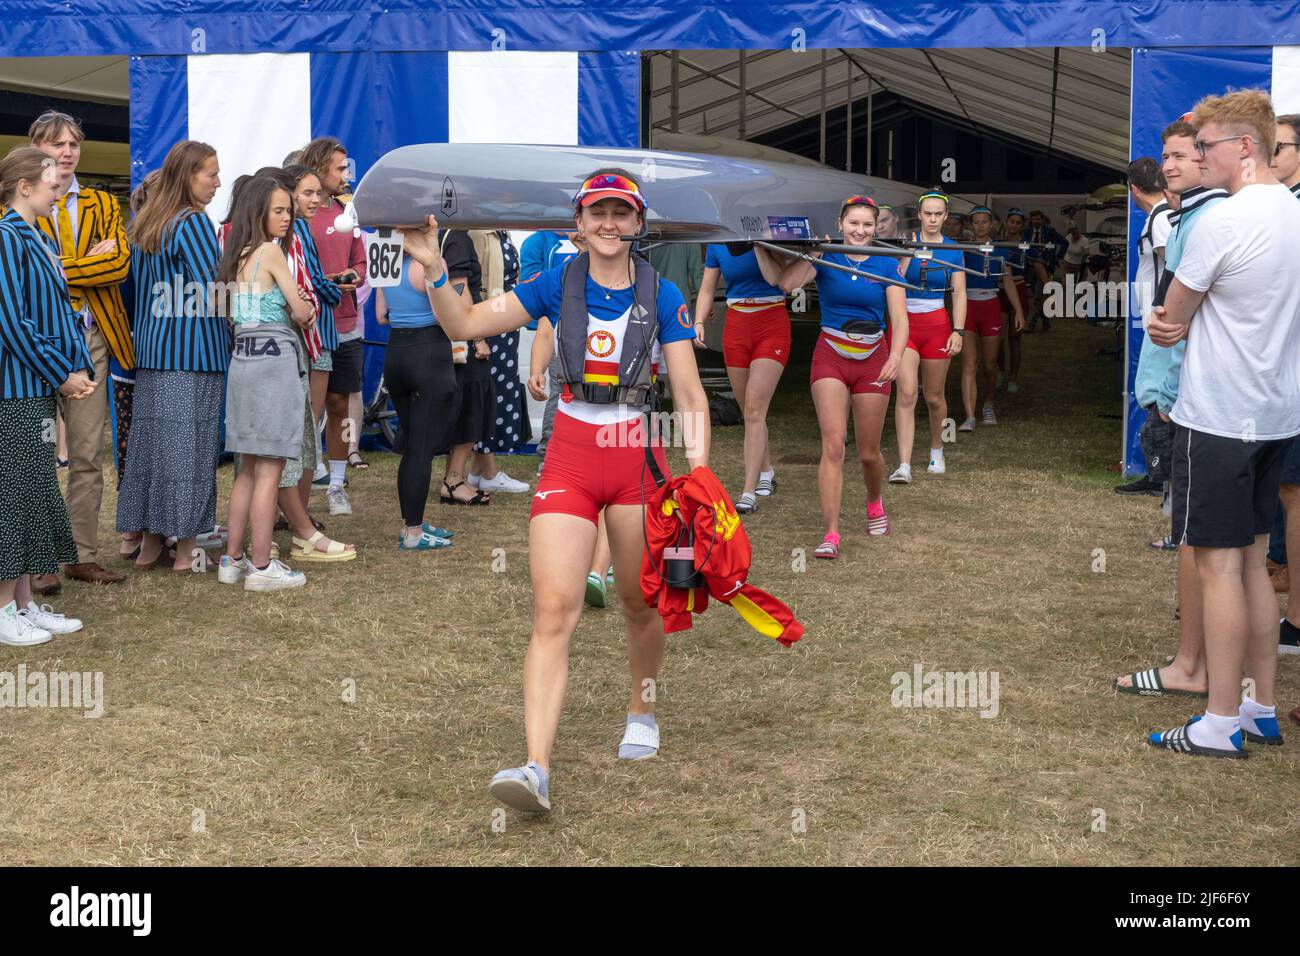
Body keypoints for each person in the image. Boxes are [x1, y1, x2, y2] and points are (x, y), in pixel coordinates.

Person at [401, 167, 710, 813]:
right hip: (569, 455)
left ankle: (641, 710)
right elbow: (464, 325)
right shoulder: (552, 283)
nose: (608, 223)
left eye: (620, 213)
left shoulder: (664, 292)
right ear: (577, 221)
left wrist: (697, 476)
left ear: (637, 223)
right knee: (554, 610)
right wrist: (432, 268)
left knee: (637, 603)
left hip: (637, 457)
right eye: (597, 212)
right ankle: (536, 766)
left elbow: (688, 397)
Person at [1146, 89, 1300, 757]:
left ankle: (1216, 721)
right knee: (1256, 559)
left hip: (1219, 415)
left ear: (1244, 147)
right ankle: (1259, 705)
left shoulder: (1222, 222)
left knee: (1220, 568)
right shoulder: (1293, 210)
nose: (1196, 156)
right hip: (1277, 413)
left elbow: (1171, 318)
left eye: (1204, 145)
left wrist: (1167, 321)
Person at [1114, 116, 1227, 697]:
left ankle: (1194, 666)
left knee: (1202, 540)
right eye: (1169, 155)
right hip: (1204, 386)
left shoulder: (1184, 222)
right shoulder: (1188, 215)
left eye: (1187, 153)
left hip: (1200, 391)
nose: (1175, 164)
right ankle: (1215, 672)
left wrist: (1161, 386)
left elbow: (1176, 301)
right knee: (1223, 547)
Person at [764, 195, 907, 557]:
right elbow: (786, 285)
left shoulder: (886, 264)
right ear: (841, 223)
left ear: (876, 229)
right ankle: (831, 533)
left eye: (867, 225)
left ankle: (874, 502)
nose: (860, 230)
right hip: (831, 354)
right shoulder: (827, 256)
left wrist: (895, 356)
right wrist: (815, 253)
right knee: (833, 444)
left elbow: (900, 319)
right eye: (854, 223)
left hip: (873, 357)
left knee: (869, 452)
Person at [26, 111, 132, 587]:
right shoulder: (18, 208)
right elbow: (27, 279)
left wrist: (60, 267)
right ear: (36, 150)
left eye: (73, 144)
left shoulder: (104, 202)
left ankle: (81, 554)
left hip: (92, 340)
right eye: (56, 144)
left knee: (87, 454)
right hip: (37, 344)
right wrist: (82, 264)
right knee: (40, 452)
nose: (67, 152)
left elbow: (119, 265)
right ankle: (40, 561)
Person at [0, 146, 96, 645]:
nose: (58, 181)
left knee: (34, 490)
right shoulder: (6, 237)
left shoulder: (33, 235)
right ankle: (3, 611)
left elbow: (58, 311)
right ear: (23, 185)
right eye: (49, 175)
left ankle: (23, 603)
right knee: (14, 495)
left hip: (36, 388)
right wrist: (63, 372)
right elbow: (14, 321)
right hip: (15, 389)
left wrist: (71, 369)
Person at [117, 140, 224, 573]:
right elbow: (215, 292)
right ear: (187, 176)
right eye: (210, 174)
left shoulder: (146, 223)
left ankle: (147, 545)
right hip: (193, 352)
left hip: (153, 352)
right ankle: (185, 553)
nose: (217, 182)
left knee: (150, 452)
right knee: (189, 453)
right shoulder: (192, 222)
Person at [214, 177, 317, 589]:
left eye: (287, 210)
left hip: (243, 361)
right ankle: (260, 567)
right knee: (270, 469)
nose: (286, 217)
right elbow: (300, 309)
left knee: (247, 470)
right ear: (258, 212)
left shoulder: (234, 254)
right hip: (274, 361)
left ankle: (232, 560)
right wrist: (307, 306)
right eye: (278, 210)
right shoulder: (271, 252)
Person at [372, 240, 466, 549]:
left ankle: (410, 523)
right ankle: (413, 533)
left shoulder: (383, 255)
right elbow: (447, 316)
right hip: (428, 354)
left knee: (413, 444)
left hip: (397, 351)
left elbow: (381, 315)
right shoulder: (428, 262)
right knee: (421, 450)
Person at [695, 243, 788, 514]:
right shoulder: (718, 244)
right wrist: (699, 321)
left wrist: (761, 244)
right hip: (736, 324)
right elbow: (707, 288)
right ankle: (767, 471)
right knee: (750, 411)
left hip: (771, 321)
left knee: (755, 407)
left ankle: (749, 491)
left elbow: (781, 277)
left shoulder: (770, 240)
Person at [302, 137, 367, 516]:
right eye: (340, 168)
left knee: (341, 406)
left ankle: (337, 486)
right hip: (311, 327)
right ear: (319, 166)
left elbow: (361, 261)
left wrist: (354, 277)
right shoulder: (297, 214)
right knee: (309, 410)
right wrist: (325, 281)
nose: (346, 175)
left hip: (346, 324)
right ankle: (302, 489)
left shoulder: (349, 211)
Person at [888, 189, 966, 483]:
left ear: (945, 216)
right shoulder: (905, 244)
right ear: (919, 215)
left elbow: (959, 292)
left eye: (938, 214)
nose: (932, 219)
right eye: (927, 213)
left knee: (934, 397)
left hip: (937, 322)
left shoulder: (954, 248)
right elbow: (895, 280)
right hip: (905, 323)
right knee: (906, 393)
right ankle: (904, 463)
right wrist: (908, 252)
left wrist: (958, 329)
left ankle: (937, 449)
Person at [1112, 159, 1172, 498]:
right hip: (1157, 314)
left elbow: (1172, 266)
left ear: (1133, 189)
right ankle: (1158, 473)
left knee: (1153, 392)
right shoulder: (1160, 215)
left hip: (1162, 316)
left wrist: (1163, 311)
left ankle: (1159, 476)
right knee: (1152, 390)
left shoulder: (1161, 218)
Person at [468, 228, 532, 492]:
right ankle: (490, 474)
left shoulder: (500, 232)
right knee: (487, 398)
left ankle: (476, 472)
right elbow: (473, 285)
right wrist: (477, 337)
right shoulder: (478, 232)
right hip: (488, 323)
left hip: (504, 324)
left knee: (499, 394)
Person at [435, 230, 496, 506]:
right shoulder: (457, 237)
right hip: (462, 339)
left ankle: (453, 477)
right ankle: (454, 480)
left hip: (438, 336)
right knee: (471, 408)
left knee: (462, 407)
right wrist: (478, 338)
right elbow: (460, 291)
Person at [958, 206, 1024, 431]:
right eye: (976, 222)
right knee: (969, 364)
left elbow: (1008, 281)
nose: (980, 225)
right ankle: (969, 416)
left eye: (984, 221)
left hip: (990, 305)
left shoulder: (1000, 249)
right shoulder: (963, 249)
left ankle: (988, 403)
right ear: (971, 225)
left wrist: (1019, 311)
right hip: (967, 305)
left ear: (992, 224)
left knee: (988, 365)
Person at [995, 209, 1031, 393]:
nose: (1014, 225)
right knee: (998, 337)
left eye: (1018, 222)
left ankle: (1013, 378)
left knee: (1015, 338)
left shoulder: (1025, 244)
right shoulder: (996, 242)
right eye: (1012, 221)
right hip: (999, 289)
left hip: (1018, 287)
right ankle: (1001, 371)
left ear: (1022, 225)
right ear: (1006, 222)